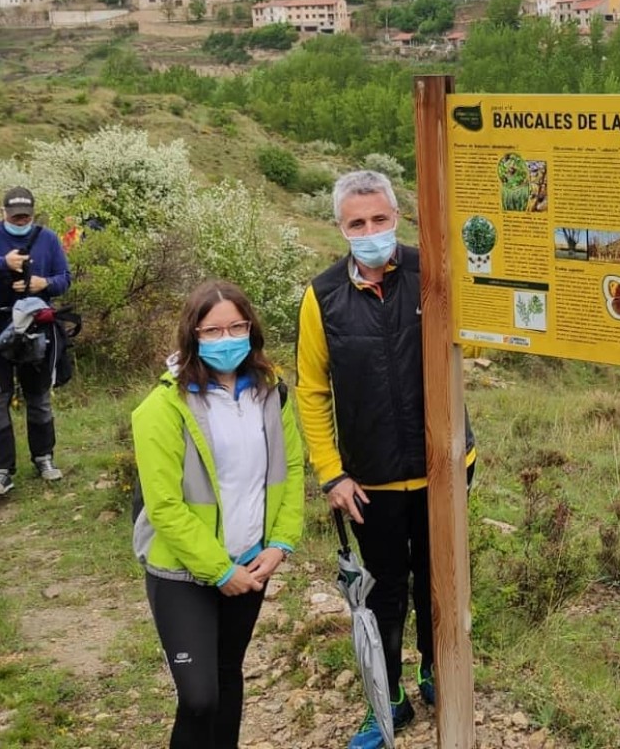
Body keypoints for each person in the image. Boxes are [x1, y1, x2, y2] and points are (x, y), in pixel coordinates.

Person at [296, 170, 476, 749]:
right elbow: (312, 389)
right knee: (381, 592)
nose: (370, 231)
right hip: (368, 481)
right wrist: (331, 473)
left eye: (379, 219)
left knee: (440, 583)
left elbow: (475, 338)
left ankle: (436, 675)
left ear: (397, 217)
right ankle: (388, 696)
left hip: (443, 469)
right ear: (341, 227)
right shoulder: (321, 296)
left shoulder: (434, 272)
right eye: (357, 223)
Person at [132, 279, 304, 748]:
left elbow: (288, 470)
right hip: (182, 573)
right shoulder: (162, 406)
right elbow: (163, 504)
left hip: (251, 563)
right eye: (212, 330)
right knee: (200, 697)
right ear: (193, 336)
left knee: (228, 676)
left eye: (236, 327)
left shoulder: (272, 393)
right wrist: (219, 569)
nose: (226, 339)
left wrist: (280, 545)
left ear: (251, 329)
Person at [0, 186, 72, 496]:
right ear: (4, 214)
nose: (21, 220)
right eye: (15, 216)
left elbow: (64, 278)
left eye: (26, 215)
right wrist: (4, 264)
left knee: (38, 396)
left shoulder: (49, 239)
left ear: (33, 212)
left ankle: (44, 457)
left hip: (36, 329)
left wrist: (46, 283)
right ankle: (3, 469)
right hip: (0, 326)